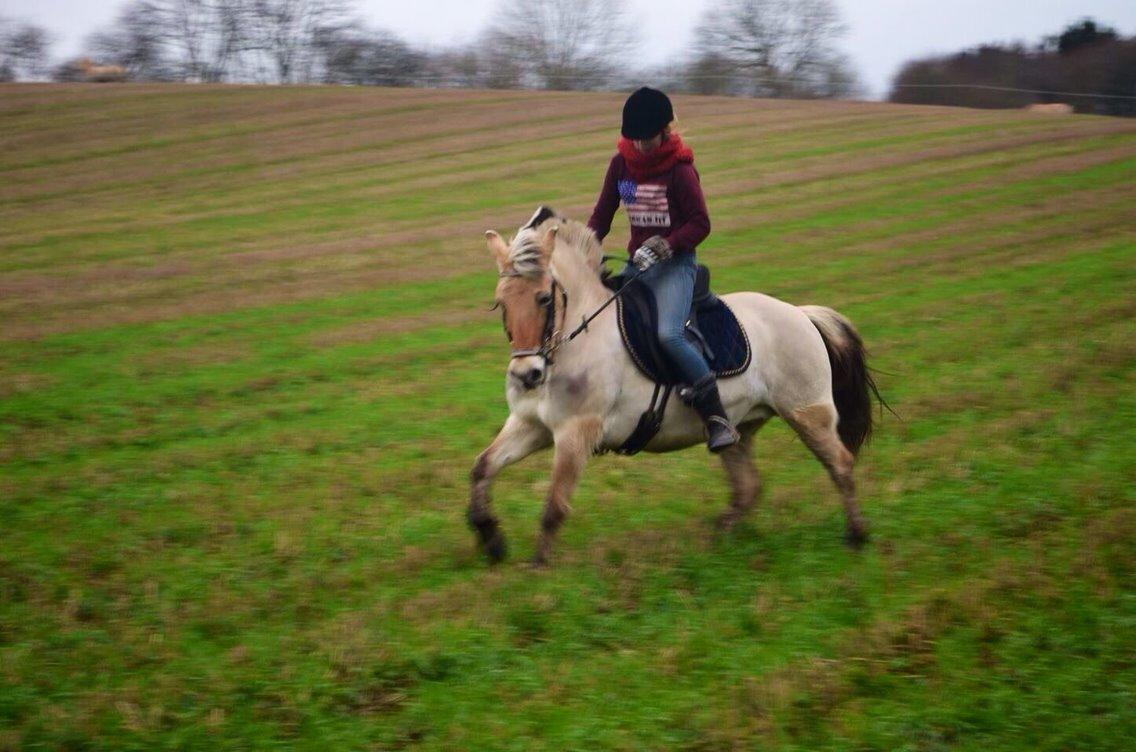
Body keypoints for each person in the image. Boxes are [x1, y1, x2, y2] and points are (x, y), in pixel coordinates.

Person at [587, 87, 739, 453]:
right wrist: (583, 250)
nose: (640, 145)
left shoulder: (679, 171)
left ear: (664, 131)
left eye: (647, 137)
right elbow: (602, 216)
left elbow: (701, 223)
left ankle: (716, 415)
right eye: (634, 137)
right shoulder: (622, 166)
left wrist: (667, 244)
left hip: (675, 266)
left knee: (668, 335)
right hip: (638, 266)